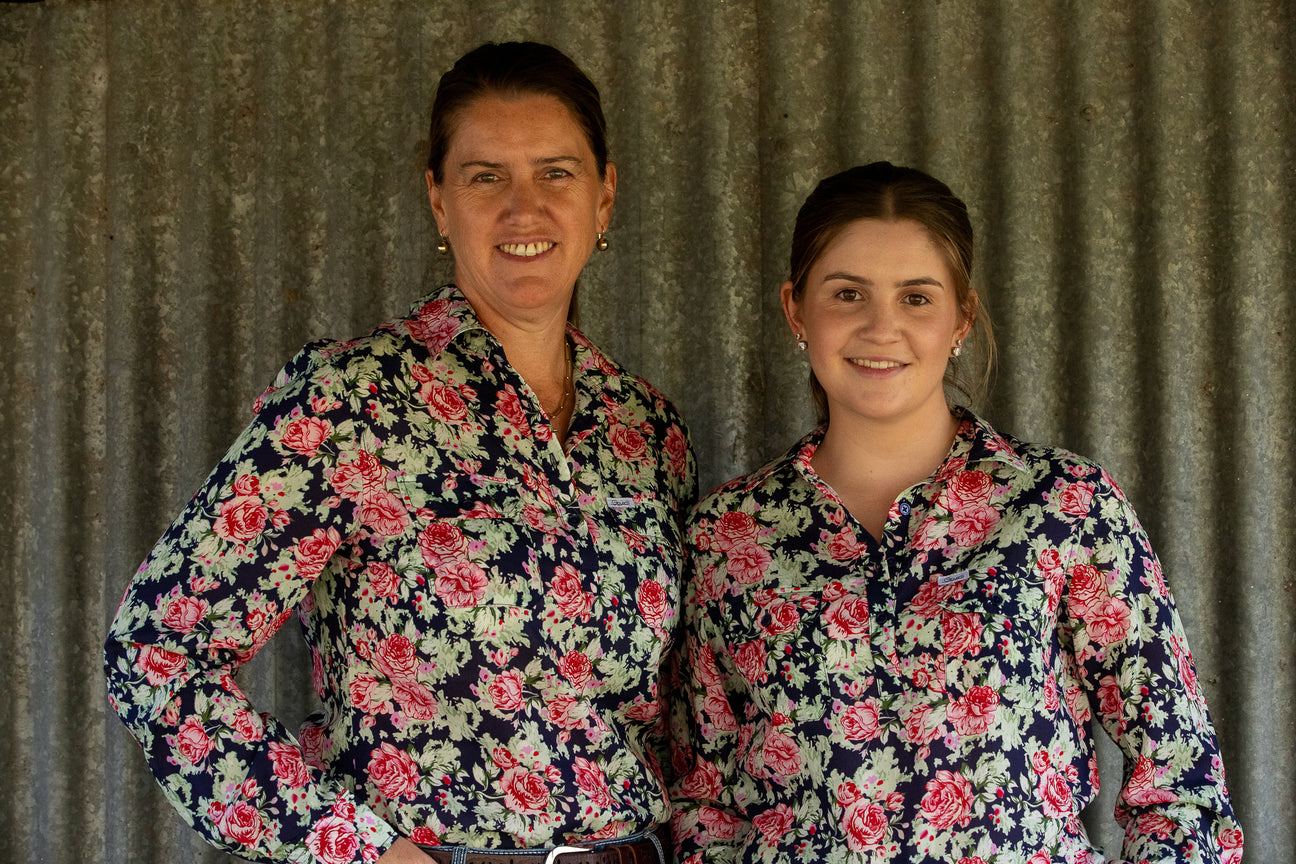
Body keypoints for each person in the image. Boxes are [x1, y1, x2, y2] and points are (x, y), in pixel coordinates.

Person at [105, 41, 695, 864]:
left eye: (556, 173)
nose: (524, 210)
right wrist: (353, 850)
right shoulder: (353, 399)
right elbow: (156, 652)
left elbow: (671, 716)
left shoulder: (646, 431)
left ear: (605, 198)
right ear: (438, 200)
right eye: (486, 176)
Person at [667, 162, 1242, 863]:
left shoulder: (1065, 507)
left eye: (916, 298)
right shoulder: (727, 535)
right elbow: (706, 805)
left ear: (962, 317)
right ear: (796, 310)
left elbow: (1182, 785)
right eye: (847, 294)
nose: (882, 328)